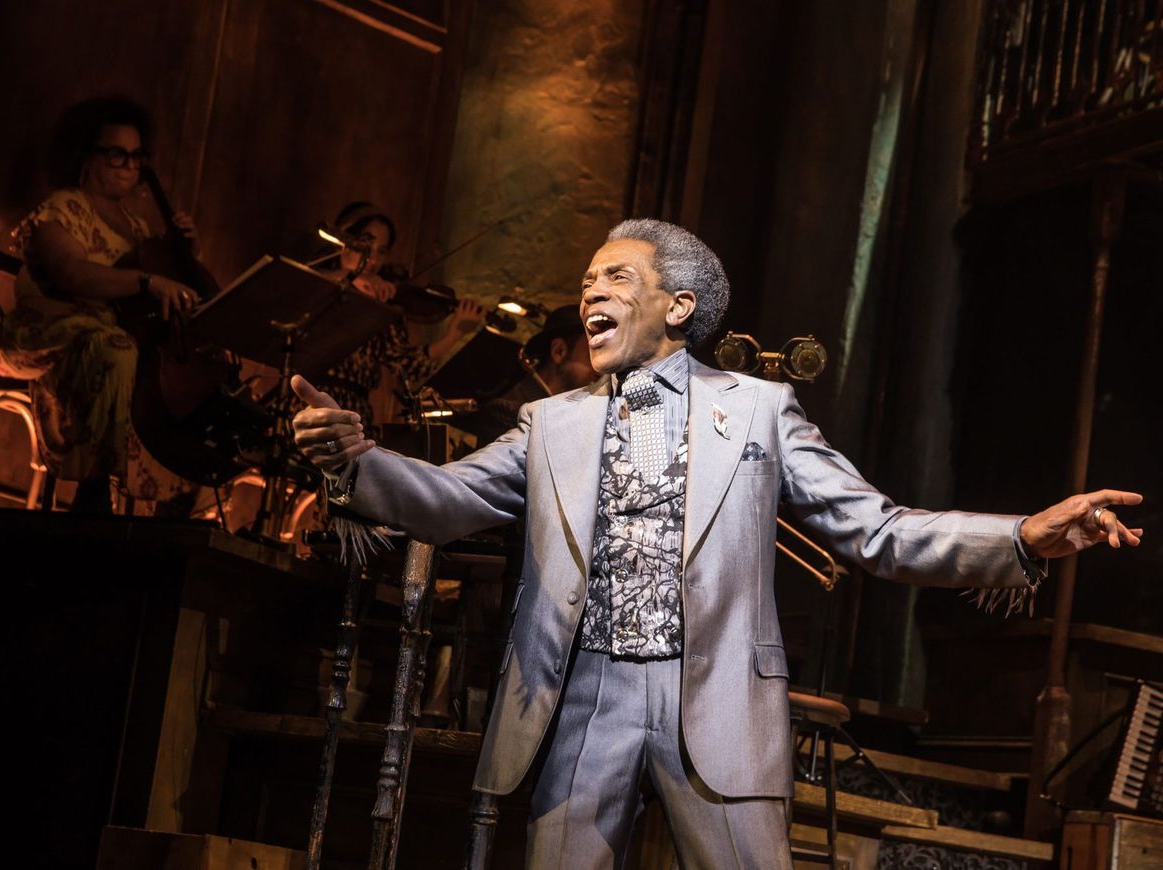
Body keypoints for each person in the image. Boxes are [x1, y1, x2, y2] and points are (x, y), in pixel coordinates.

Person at [289, 219, 1143, 867]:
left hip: (716, 696)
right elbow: (447, 499)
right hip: (583, 698)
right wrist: (356, 462)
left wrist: (1024, 535)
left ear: (679, 307)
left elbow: (878, 529)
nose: (590, 294)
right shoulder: (550, 422)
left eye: (616, 277)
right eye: (586, 280)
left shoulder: (760, 410)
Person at [0, 96, 202, 513]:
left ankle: (176, 499)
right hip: (52, 333)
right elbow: (71, 274)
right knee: (116, 350)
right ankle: (94, 490)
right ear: (86, 156)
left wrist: (185, 253)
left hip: (112, 336)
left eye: (136, 157)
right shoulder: (62, 207)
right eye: (117, 155)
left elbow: (158, 293)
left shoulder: (139, 227)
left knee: (167, 372)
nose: (129, 166)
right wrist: (146, 281)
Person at [314, 202, 484, 428]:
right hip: (309, 400)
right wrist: (349, 278)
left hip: (353, 410)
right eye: (364, 246)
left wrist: (454, 335)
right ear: (345, 241)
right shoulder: (318, 281)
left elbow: (406, 364)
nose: (373, 260)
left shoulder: (382, 304)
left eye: (381, 251)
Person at [465, 303, 597, 446]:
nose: (599, 369)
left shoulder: (574, 411)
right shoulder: (507, 411)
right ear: (559, 351)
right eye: (591, 355)